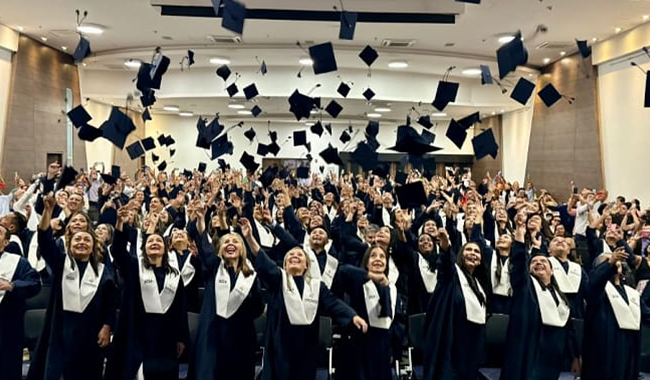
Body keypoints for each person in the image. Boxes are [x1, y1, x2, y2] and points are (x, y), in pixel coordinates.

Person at [239, 217, 368, 380]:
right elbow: (264, 262)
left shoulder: (316, 286)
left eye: (300, 255)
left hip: (306, 346)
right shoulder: (279, 279)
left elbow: (333, 303)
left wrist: (352, 316)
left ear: (306, 265)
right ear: (285, 264)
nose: (295, 256)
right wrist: (250, 237)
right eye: (290, 254)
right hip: (280, 347)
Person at [28, 193, 117, 380]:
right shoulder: (62, 262)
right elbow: (45, 243)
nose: (82, 243)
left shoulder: (102, 271)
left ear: (94, 246)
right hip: (61, 328)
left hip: (91, 332)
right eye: (77, 240)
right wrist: (48, 211)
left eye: (87, 240)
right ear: (70, 245)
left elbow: (111, 300)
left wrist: (107, 325)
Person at [106, 206, 189, 380]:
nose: (154, 243)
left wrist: (181, 337)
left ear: (165, 249)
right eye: (150, 241)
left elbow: (180, 309)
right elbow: (118, 252)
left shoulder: (174, 275)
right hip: (136, 333)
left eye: (159, 241)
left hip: (165, 336)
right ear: (144, 249)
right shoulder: (134, 267)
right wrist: (120, 223)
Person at [186, 200, 264, 380]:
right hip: (211, 335)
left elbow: (257, 307)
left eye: (235, 241)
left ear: (242, 249)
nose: (230, 243)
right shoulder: (213, 267)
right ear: (219, 249)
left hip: (240, 336)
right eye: (226, 241)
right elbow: (204, 245)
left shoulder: (251, 275)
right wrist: (200, 221)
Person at [500, 213, 581, 380]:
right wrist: (520, 232)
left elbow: (568, 328)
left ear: (552, 271)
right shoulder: (525, 285)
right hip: (526, 351)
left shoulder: (560, 297)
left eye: (544, 262)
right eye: (534, 262)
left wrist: (574, 356)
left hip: (551, 357)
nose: (538, 263)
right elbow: (519, 262)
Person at [423, 229, 488, 380]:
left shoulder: (479, 284)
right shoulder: (452, 275)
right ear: (460, 254)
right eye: (469, 250)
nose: (473, 253)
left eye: (477, 252)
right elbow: (446, 265)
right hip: (453, 340)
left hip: (474, 341)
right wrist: (446, 247)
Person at [335, 246, 401, 380]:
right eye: (373, 256)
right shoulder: (359, 280)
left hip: (383, 346)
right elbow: (342, 270)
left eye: (382, 257)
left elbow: (397, 321)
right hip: (361, 345)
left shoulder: (392, 288)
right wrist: (370, 275)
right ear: (366, 262)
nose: (378, 259)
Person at [582, 245, 643, 380]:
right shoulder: (597, 289)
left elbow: (646, 314)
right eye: (607, 261)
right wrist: (609, 264)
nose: (614, 261)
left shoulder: (631, 292)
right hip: (604, 346)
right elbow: (593, 283)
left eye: (616, 260)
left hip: (629, 345)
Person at [0, 224, 40, 380]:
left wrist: (12, 286)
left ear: (6, 242)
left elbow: (34, 284)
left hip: (8, 321)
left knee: (7, 367)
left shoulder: (18, 262)